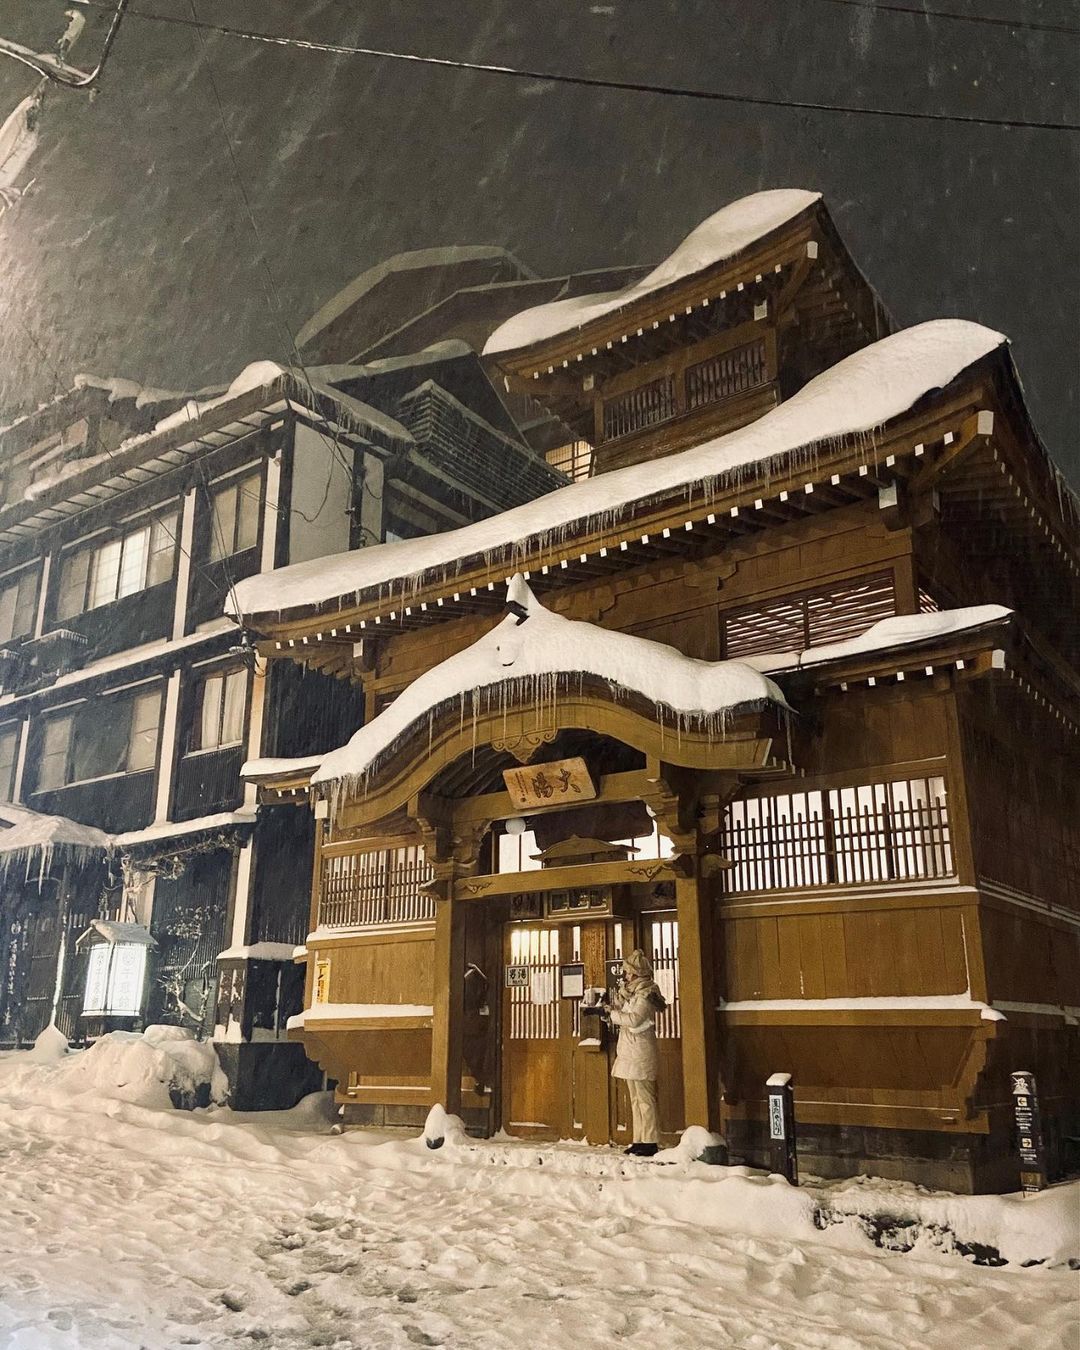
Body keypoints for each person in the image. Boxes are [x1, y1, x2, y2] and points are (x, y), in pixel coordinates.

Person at [604, 948, 667, 1157]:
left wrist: (613, 1015)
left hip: (641, 1053)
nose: (626, 976)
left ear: (639, 974)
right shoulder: (632, 992)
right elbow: (624, 1014)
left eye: (629, 973)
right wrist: (611, 1010)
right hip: (631, 1052)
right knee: (634, 1098)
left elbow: (633, 1020)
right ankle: (638, 1139)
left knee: (645, 1099)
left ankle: (650, 1141)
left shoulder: (647, 994)